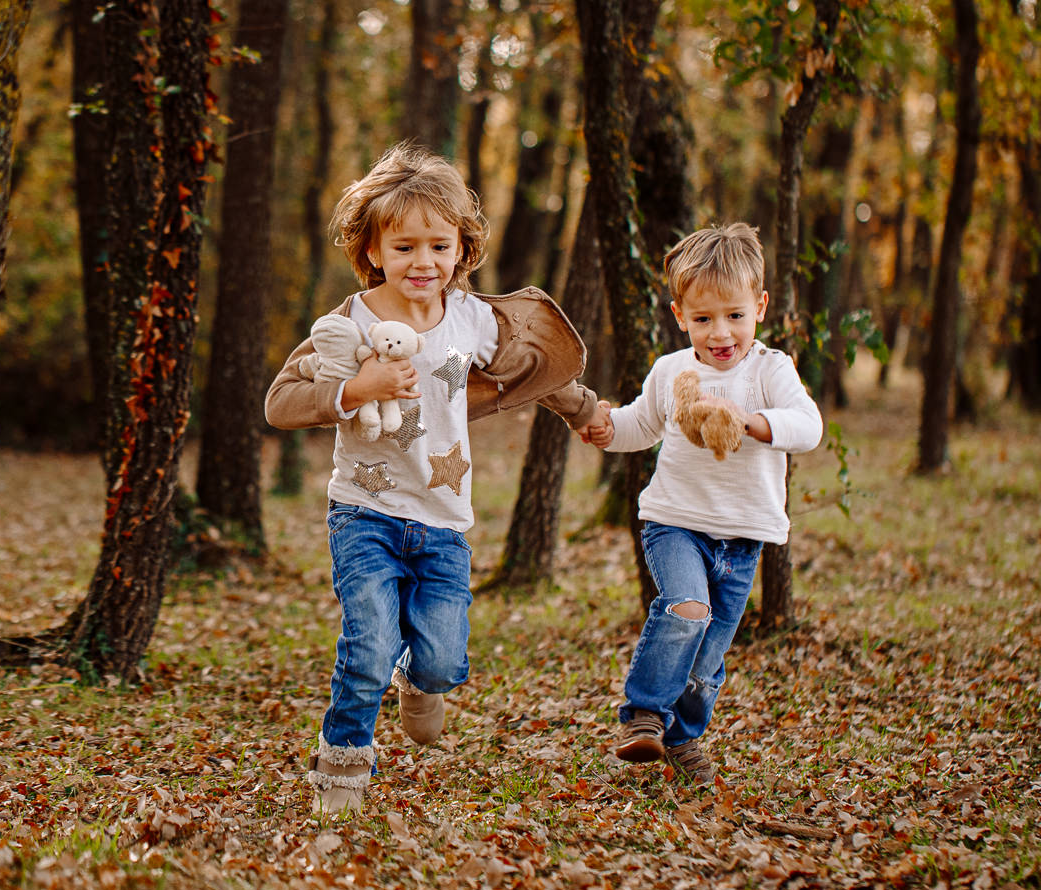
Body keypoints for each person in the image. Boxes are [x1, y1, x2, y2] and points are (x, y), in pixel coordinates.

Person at [265, 143, 599, 815]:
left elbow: (527, 370)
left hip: (444, 522)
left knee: (444, 659)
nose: (423, 262)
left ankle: (420, 680)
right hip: (364, 513)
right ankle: (343, 766)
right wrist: (356, 388)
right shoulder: (347, 325)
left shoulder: (474, 320)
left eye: (439, 246)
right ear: (373, 250)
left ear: (462, 248)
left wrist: (588, 411)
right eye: (405, 246)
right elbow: (279, 401)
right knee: (368, 643)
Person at [579, 222, 823, 787]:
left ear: (759, 307)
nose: (721, 333)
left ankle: (685, 737)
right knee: (687, 608)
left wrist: (754, 423)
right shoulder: (672, 371)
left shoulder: (770, 370)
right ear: (679, 314)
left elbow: (808, 426)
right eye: (705, 317)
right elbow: (640, 425)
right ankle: (643, 715)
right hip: (676, 522)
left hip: (743, 536)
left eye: (735, 315)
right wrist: (604, 430)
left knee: (709, 657)